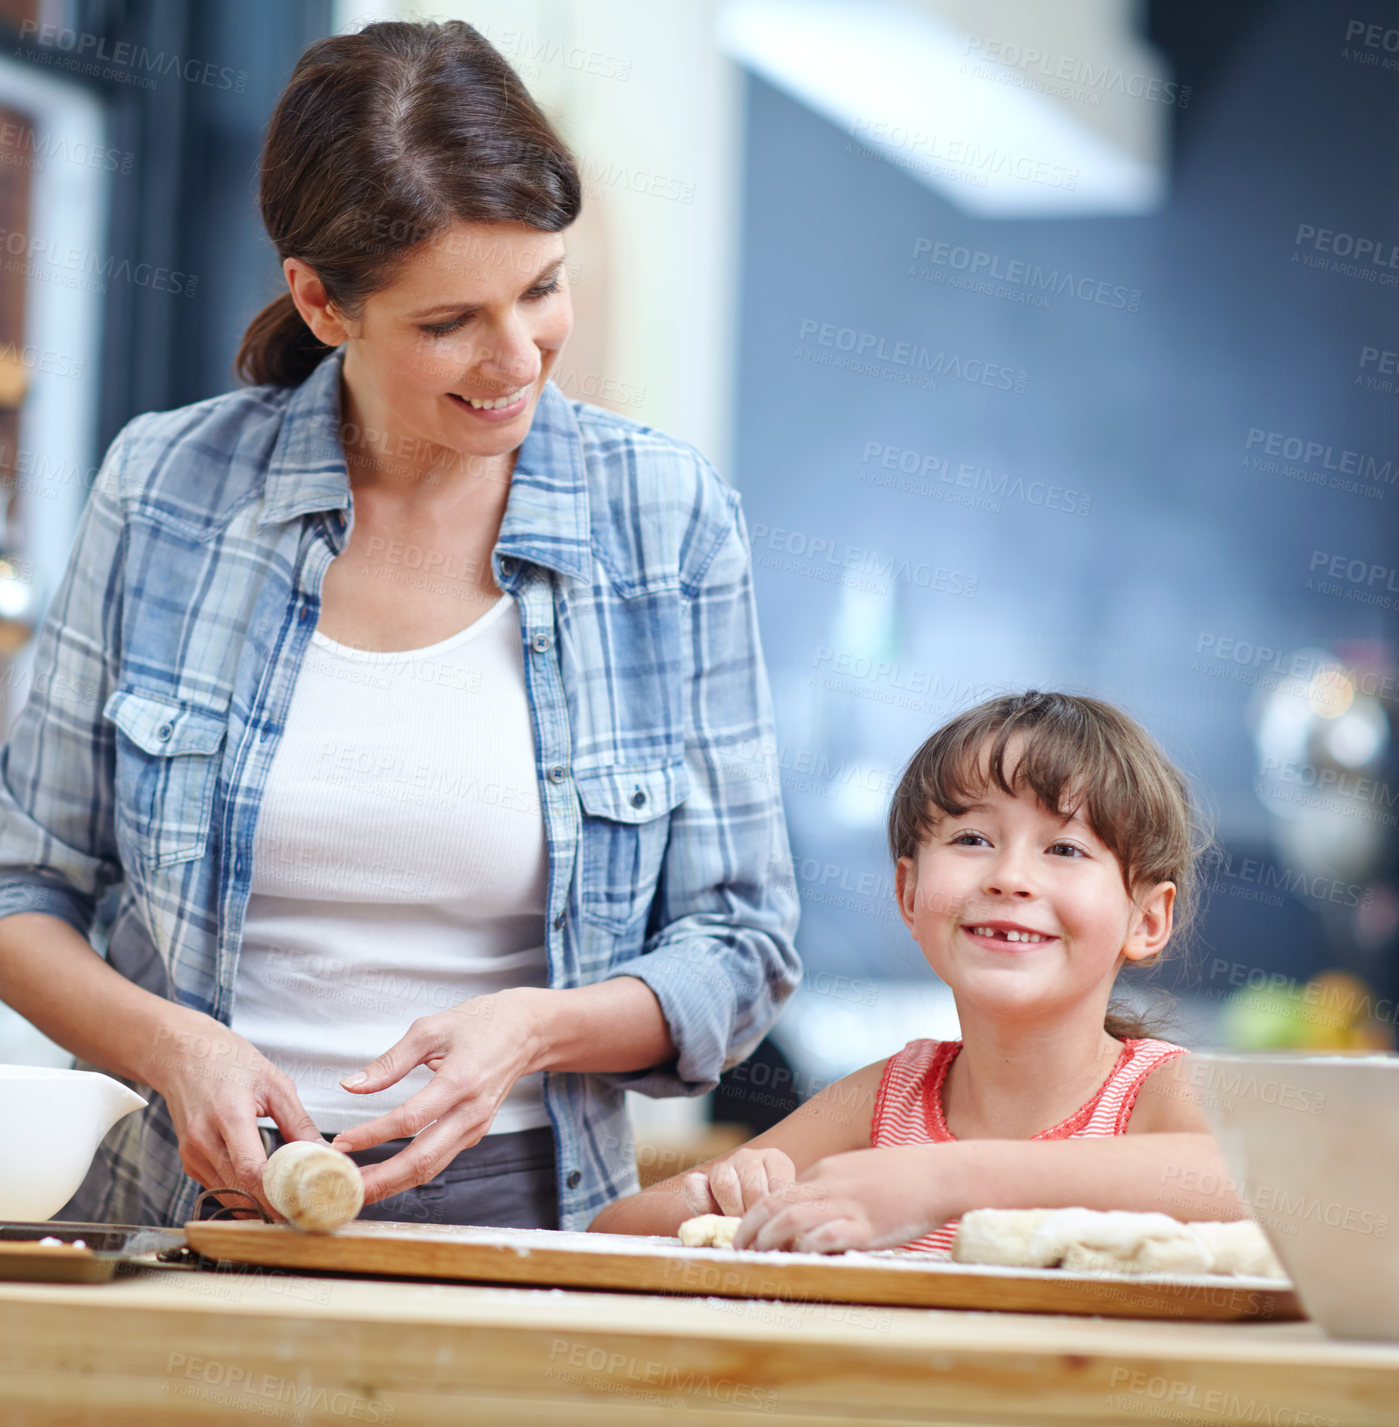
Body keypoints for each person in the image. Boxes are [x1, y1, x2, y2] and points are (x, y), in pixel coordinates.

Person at [0, 20, 799, 1232]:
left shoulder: (665, 519)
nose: (515, 355)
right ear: (320, 300)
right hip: (165, 1204)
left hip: (517, 1217)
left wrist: (531, 1027)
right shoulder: (164, 485)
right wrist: (171, 1048)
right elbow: (23, 885)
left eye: (542, 287)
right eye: (448, 323)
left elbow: (740, 943)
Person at [590, 691, 1247, 1253]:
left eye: (1065, 848)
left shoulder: (1155, 1093)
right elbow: (613, 1229)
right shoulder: (882, 1103)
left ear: (1147, 919)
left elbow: (1252, 1183)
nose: (1010, 877)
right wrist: (722, 1190)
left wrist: (940, 1180)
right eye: (971, 839)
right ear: (908, 893)